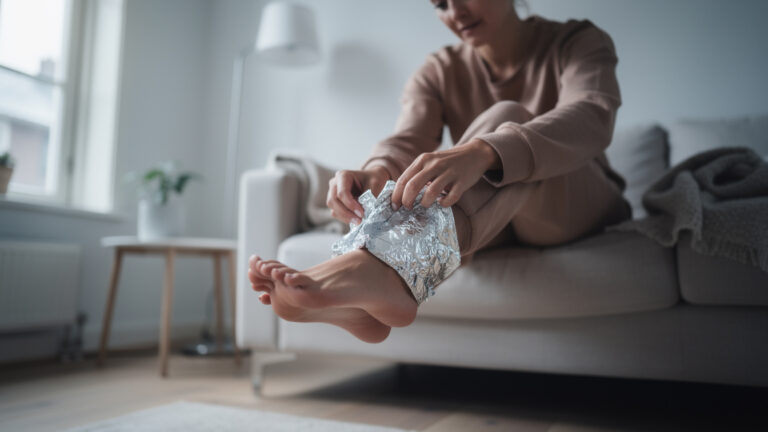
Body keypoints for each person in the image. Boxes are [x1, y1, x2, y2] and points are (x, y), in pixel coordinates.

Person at [248, 0, 631, 343]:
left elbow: (592, 115)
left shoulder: (576, 41)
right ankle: (366, 298)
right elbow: (407, 139)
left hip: (573, 205)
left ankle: (377, 270)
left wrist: (483, 152)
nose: (455, 12)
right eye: (440, 3)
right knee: (435, 183)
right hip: (495, 216)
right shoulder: (439, 69)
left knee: (507, 117)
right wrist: (375, 170)